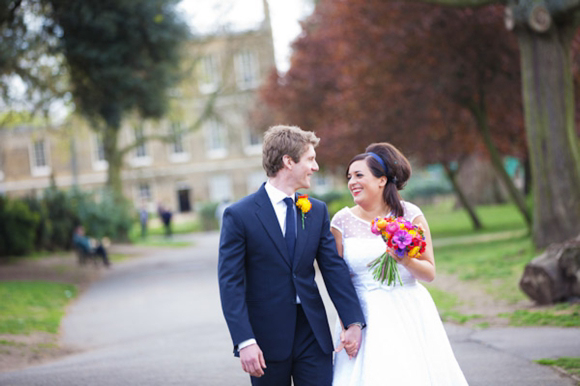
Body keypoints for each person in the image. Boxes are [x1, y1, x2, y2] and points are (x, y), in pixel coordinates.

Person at [218, 125, 366, 386]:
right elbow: (230, 283)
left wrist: (353, 320)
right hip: (265, 340)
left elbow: (333, 269)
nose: (315, 166)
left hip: (312, 333)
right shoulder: (239, 215)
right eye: (310, 159)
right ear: (288, 161)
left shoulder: (316, 211)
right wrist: (245, 340)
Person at [331, 143, 468, 385]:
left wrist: (404, 259)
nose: (351, 181)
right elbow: (338, 281)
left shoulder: (410, 215)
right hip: (365, 317)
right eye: (349, 176)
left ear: (382, 180)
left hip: (408, 311)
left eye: (359, 175)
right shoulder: (341, 221)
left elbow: (429, 272)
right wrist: (347, 325)